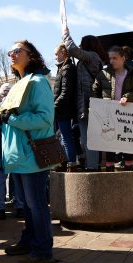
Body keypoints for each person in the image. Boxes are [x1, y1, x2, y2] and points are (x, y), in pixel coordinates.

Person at [1, 40, 55, 263]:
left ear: (30, 55)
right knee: (29, 205)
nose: (11, 55)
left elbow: (44, 118)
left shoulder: (38, 82)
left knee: (37, 205)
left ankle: (42, 251)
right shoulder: (19, 83)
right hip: (20, 157)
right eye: (10, 52)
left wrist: (11, 118)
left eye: (17, 51)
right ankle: (29, 241)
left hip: (32, 155)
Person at [93, 45, 133, 171]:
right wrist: (97, 105)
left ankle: (128, 167)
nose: (111, 61)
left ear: (123, 58)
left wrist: (128, 97)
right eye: (110, 58)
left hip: (126, 114)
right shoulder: (103, 74)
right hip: (108, 113)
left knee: (127, 142)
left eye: (114, 58)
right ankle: (109, 169)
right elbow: (94, 90)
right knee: (109, 142)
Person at [62, 27, 107, 171]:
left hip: (88, 103)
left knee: (89, 138)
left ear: (87, 45)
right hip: (87, 102)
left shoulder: (92, 56)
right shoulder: (95, 58)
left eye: (82, 43)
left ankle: (92, 167)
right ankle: (92, 164)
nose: (80, 46)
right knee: (87, 137)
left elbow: (72, 49)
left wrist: (66, 34)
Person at [0, 83, 24, 220]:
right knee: (17, 180)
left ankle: (0, 209)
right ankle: (20, 207)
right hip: (13, 151)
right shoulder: (15, 110)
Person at [53, 43, 77, 172]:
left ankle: (71, 163)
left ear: (63, 53)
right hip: (61, 109)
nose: (55, 56)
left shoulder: (67, 68)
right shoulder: (63, 68)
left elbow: (65, 92)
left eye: (57, 54)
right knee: (62, 137)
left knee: (66, 137)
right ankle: (66, 162)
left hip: (64, 109)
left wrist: (53, 106)